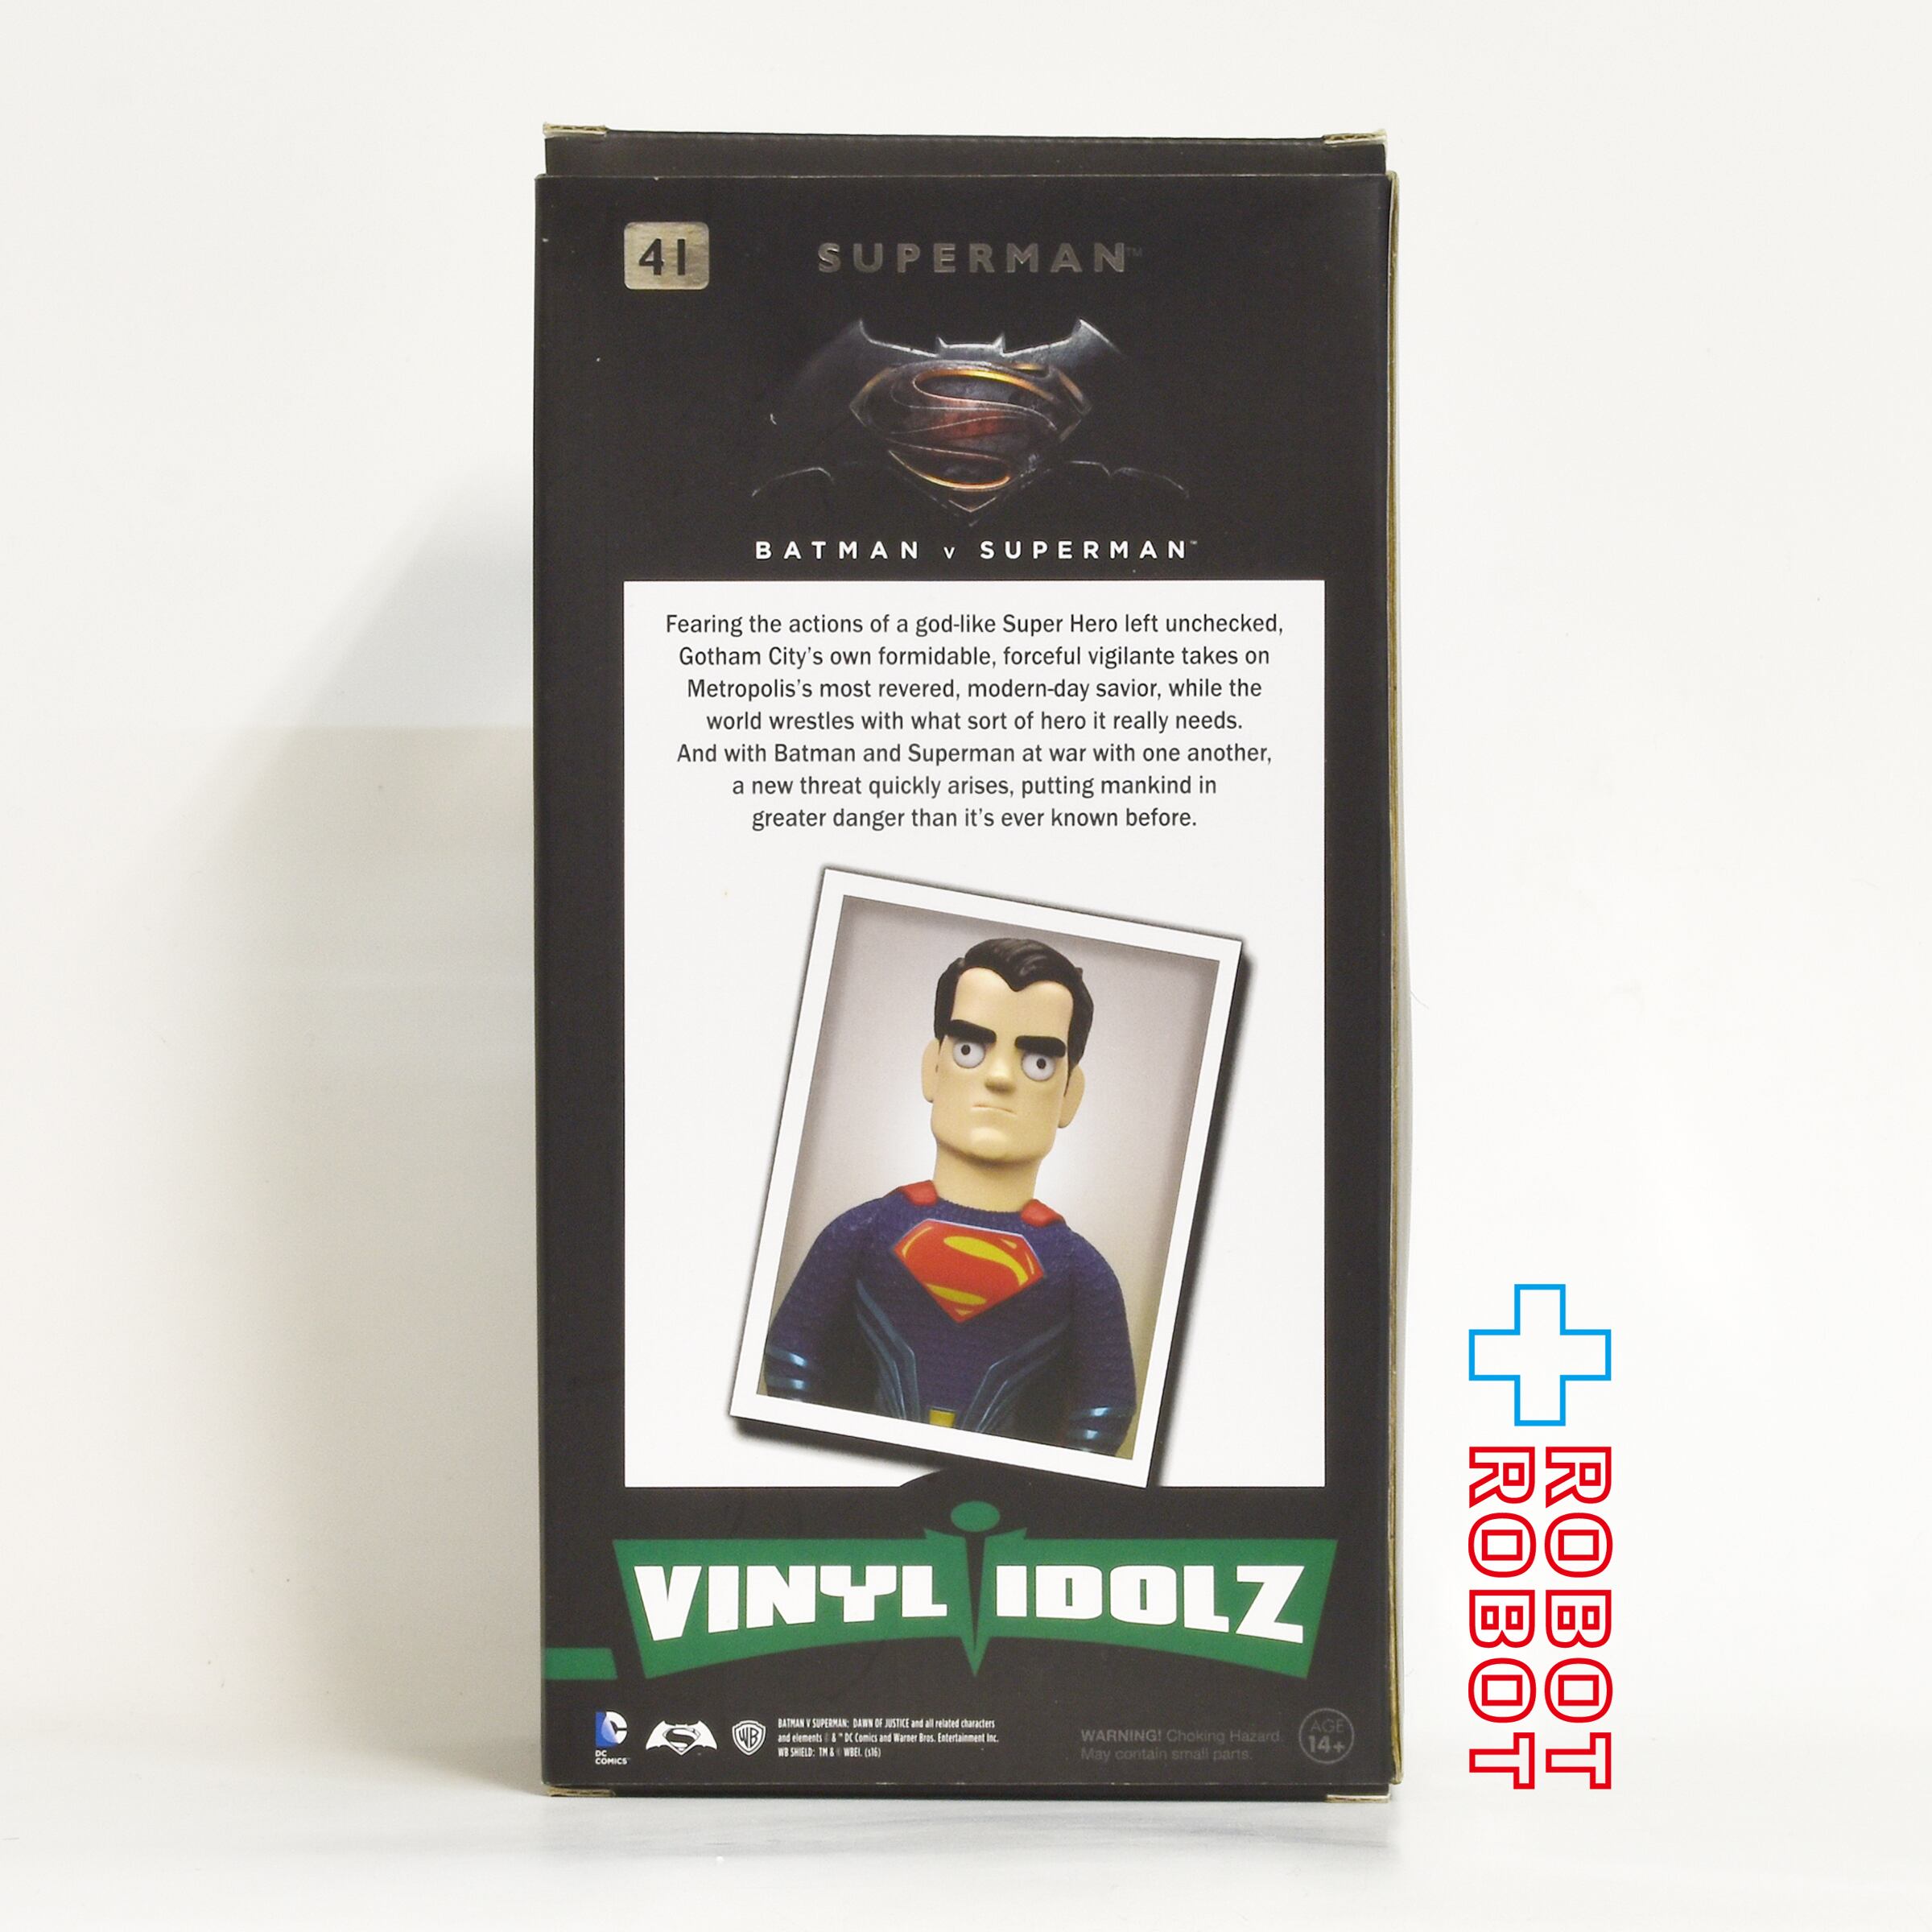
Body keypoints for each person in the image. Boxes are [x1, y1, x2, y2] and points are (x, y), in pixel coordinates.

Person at [764, 935, 1137, 1454]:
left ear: (1069, 1095)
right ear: (933, 1069)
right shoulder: (864, 1232)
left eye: (1038, 1062)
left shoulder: (1078, 1271)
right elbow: (791, 1355)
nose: (1000, 1078)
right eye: (970, 1050)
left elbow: (1107, 1406)